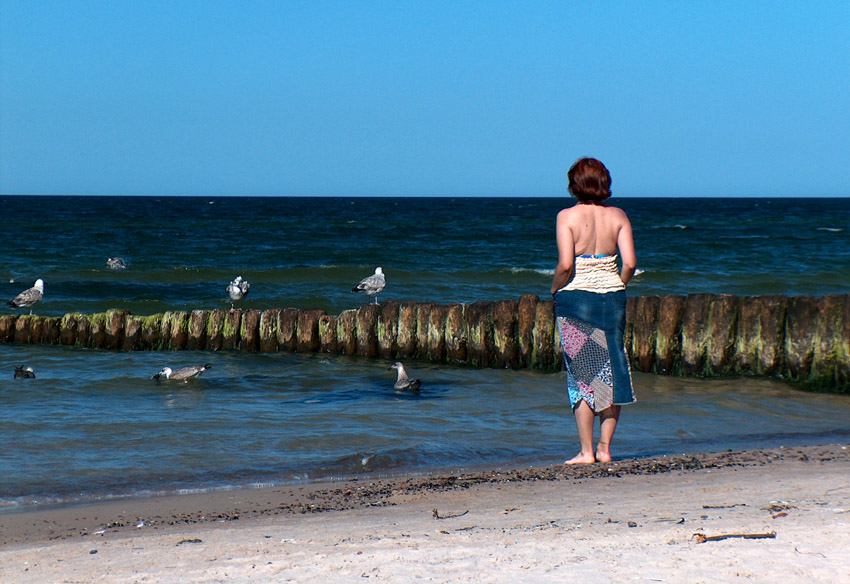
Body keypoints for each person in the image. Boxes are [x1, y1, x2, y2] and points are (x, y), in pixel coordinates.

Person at [551, 157, 637, 464]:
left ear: (575, 185)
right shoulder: (618, 216)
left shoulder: (566, 217)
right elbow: (629, 263)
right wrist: (617, 283)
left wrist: (554, 288)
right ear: (604, 183)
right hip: (612, 297)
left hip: (576, 298)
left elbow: (565, 265)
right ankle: (605, 448)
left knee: (583, 376)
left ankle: (586, 451)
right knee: (612, 370)